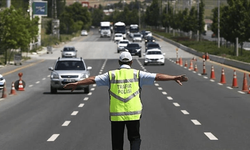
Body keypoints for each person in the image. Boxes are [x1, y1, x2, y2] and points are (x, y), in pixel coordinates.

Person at [63, 51, 188, 150]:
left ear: (119, 62)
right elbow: (157, 76)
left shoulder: (111, 75)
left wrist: (77, 83)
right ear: (131, 62)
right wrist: (174, 77)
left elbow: (92, 79)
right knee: (134, 139)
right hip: (134, 114)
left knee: (117, 143)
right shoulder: (138, 74)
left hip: (116, 115)